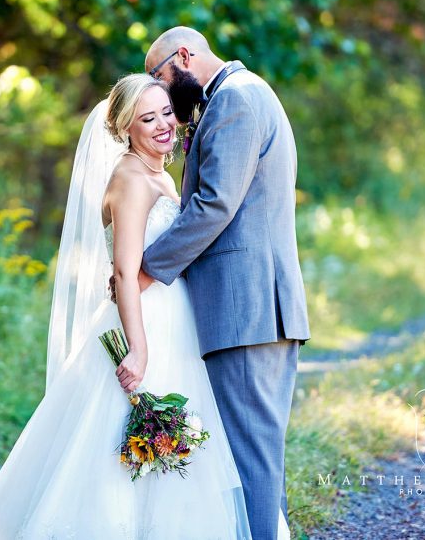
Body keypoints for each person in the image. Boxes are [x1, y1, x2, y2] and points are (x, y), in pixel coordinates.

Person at [0, 74, 289, 539]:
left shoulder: (159, 175)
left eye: (166, 113)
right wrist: (138, 348)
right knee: (122, 447)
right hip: (146, 324)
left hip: (176, 322)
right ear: (125, 128)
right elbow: (124, 274)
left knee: (180, 446)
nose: (163, 125)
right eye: (147, 119)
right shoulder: (131, 179)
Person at [134, 27, 311, 540]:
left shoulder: (236, 99)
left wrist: (147, 268)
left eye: (161, 78)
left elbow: (215, 204)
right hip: (250, 307)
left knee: (250, 458)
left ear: (184, 56)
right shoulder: (234, 96)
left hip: (247, 308)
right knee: (253, 455)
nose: (162, 93)